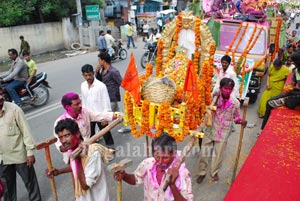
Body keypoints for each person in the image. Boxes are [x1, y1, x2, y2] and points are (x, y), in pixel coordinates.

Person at [113, 133, 193, 201]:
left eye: (165, 158)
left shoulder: (183, 173)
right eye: (157, 156)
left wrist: (172, 185)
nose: (160, 162)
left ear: (174, 154)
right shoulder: (148, 164)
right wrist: (124, 176)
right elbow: (136, 179)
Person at [196, 78, 247, 184]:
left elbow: (236, 118)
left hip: (224, 132)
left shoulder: (235, 103)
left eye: (229, 89)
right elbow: (206, 101)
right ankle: (202, 173)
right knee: (204, 153)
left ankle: (214, 173)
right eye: (225, 88)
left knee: (218, 155)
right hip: (211, 128)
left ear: (232, 90)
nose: (227, 91)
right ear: (220, 88)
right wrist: (215, 94)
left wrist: (241, 121)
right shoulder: (214, 98)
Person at [47, 118, 111, 201]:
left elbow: (85, 186)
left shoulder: (93, 153)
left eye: (67, 136)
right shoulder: (73, 150)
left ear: (77, 134)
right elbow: (78, 167)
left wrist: (77, 158)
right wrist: (59, 171)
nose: (63, 141)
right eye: (60, 137)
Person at [54, 92, 120, 163]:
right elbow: (60, 146)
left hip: (89, 150)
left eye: (80, 102)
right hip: (74, 156)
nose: (80, 106)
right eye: (77, 104)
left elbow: (99, 115)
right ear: (67, 107)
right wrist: (68, 146)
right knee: (78, 173)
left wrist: (116, 115)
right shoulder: (60, 123)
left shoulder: (84, 112)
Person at [0, 90, 41, 201]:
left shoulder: (14, 109)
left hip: (20, 155)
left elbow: (26, 131)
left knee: (30, 181)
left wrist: (30, 152)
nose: (0, 97)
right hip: (2, 158)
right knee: (7, 186)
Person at [261, 52, 300, 130]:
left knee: (286, 102)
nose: (293, 63)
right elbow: (293, 84)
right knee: (269, 102)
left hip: (298, 96)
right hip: (296, 92)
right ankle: (263, 128)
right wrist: (289, 87)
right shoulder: (295, 70)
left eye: (294, 62)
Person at [81, 64, 115, 149]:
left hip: (100, 115)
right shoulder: (83, 86)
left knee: (106, 133)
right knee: (90, 135)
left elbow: (106, 102)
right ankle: (93, 150)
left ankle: (111, 149)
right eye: (86, 75)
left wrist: (106, 118)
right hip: (89, 115)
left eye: (90, 75)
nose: (88, 77)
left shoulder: (101, 86)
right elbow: (84, 101)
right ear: (83, 75)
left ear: (93, 73)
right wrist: (83, 115)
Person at [96, 52, 131, 133]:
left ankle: (98, 134)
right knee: (117, 112)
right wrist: (97, 72)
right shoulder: (102, 70)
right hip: (105, 96)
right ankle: (128, 125)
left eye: (99, 60)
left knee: (105, 116)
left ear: (103, 61)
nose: (98, 62)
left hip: (112, 96)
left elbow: (122, 83)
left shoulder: (113, 71)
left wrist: (129, 91)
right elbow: (99, 82)